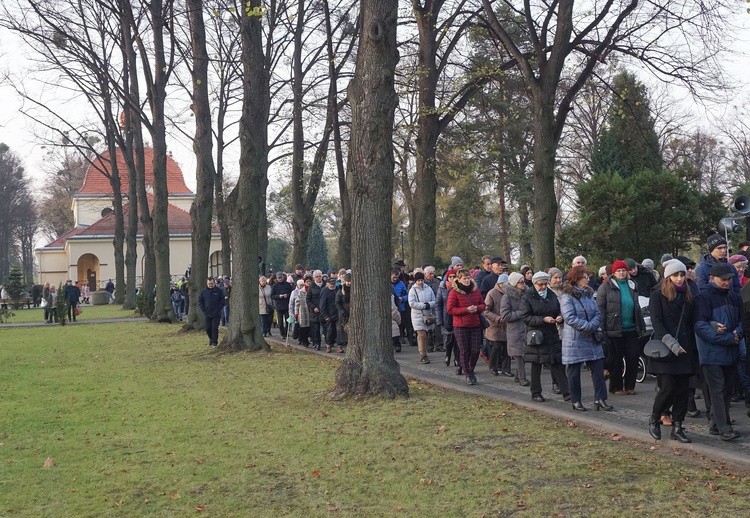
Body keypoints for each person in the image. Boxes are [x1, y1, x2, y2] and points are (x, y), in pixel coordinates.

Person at [647, 259, 698, 442]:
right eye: (676, 275)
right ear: (668, 276)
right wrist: (672, 344)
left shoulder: (688, 294)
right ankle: (654, 418)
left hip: (685, 349)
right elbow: (657, 322)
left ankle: (678, 426)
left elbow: (693, 320)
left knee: (683, 390)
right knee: (667, 389)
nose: (679, 278)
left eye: (682, 275)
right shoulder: (657, 294)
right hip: (666, 349)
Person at [694, 262, 743, 441]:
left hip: (730, 351)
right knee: (718, 390)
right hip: (711, 353)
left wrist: (737, 332)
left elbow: (742, 320)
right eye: (724, 280)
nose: (727, 283)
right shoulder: (704, 297)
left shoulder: (733, 296)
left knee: (726, 390)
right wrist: (728, 338)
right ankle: (724, 427)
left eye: (729, 279)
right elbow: (700, 326)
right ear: (712, 278)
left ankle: (716, 424)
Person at [560, 265, 611, 412]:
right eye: (585, 277)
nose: (588, 280)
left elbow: (597, 313)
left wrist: (593, 325)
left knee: (598, 368)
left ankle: (600, 399)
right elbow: (569, 317)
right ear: (576, 279)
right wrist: (587, 326)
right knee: (574, 371)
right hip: (574, 340)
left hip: (591, 338)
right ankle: (576, 401)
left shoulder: (589, 294)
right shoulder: (567, 296)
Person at [597, 260, 646, 396]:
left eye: (623, 270)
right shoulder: (606, 287)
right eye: (618, 271)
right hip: (614, 329)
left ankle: (630, 386)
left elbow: (637, 307)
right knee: (617, 359)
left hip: (631, 329)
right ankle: (616, 387)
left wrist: (640, 325)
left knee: (633, 357)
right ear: (613, 273)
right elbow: (600, 308)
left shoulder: (632, 284)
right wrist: (601, 328)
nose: (621, 273)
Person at [521, 271, 570, 402]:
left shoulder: (551, 295)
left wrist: (560, 317)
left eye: (544, 284)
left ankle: (566, 391)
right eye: (540, 284)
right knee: (537, 364)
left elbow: (558, 309)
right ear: (535, 284)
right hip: (536, 335)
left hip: (551, 333)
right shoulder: (528, 296)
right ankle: (536, 392)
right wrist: (543, 319)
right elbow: (525, 317)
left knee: (556, 362)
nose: (543, 287)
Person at [447, 269, 486, 385]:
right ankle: (468, 374)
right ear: (459, 280)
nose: (467, 280)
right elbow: (450, 309)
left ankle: (470, 368)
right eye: (464, 278)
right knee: (464, 350)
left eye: (468, 278)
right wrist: (466, 310)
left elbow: (483, 304)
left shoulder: (476, 291)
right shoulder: (454, 292)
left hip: (475, 324)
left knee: (475, 350)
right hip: (461, 325)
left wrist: (477, 308)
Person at [500, 272, 529, 386]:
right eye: (520, 282)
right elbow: (505, 316)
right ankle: (522, 377)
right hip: (515, 330)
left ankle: (518, 375)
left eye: (523, 282)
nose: (523, 284)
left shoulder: (525, 294)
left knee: (524, 354)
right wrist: (521, 313)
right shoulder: (506, 297)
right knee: (518, 355)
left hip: (525, 328)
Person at [483, 273, 512, 377]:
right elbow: (486, 310)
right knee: (496, 346)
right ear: (500, 284)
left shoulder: (509, 293)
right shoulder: (491, 293)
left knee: (507, 348)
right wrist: (497, 318)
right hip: (495, 325)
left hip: (507, 325)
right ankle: (493, 366)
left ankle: (506, 369)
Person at [409, 271, 437, 364]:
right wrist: (423, 306)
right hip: (417, 316)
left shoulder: (428, 288)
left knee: (427, 334)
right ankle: (423, 355)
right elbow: (412, 303)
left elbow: (434, 300)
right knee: (422, 336)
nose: (420, 282)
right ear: (415, 281)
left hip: (427, 315)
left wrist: (429, 305)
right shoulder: (412, 290)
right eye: (418, 280)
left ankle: (424, 352)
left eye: (421, 280)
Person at [436, 270, 457, 367]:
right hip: (446, 317)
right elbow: (438, 304)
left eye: (454, 276)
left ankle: (457, 358)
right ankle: (448, 355)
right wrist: (439, 320)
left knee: (457, 339)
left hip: (456, 316)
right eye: (450, 277)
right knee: (449, 338)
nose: (452, 278)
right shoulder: (442, 288)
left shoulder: (459, 287)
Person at [198, 277, 225, 347]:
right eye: (209, 284)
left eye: (212, 283)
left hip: (216, 313)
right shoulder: (203, 292)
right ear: (207, 284)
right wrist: (204, 309)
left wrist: (218, 309)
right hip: (207, 313)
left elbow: (222, 301)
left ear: (214, 283)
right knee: (207, 328)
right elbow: (200, 301)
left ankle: (214, 342)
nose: (210, 285)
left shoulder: (219, 291)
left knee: (214, 328)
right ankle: (211, 338)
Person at [271, 271, 293, 338]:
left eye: (281, 278)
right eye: (278, 278)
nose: (280, 279)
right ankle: (282, 333)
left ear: (283, 277)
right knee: (280, 322)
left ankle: (286, 332)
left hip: (286, 305)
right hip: (279, 305)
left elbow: (291, 293)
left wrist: (287, 295)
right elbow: (272, 296)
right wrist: (279, 296)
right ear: (277, 278)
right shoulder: (274, 286)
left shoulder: (287, 284)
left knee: (287, 320)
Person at [320, 277, 339, 353]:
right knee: (329, 331)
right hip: (329, 314)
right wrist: (325, 316)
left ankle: (339, 345)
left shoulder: (337, 289)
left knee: (338, 331)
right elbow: (322, 305)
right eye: (331, 284)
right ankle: (328, 345)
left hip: (337, 313)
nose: (332, 285)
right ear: (328, 284)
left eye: (334, 284)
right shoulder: (325, 291)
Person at [335, 273, 351, 353]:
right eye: (347, 281)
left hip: (351, 312)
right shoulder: (341, 291)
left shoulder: (354, 289)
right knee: (341, 330)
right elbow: (337, 303)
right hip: (343, 313)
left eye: (350, 281)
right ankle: (339, 345)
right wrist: (342, 312)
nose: (349, 283)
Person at [295, 275, 312, 347]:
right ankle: (304, 341)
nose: (308, 283)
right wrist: (296, 313)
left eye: (310, 281)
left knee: (311, 327)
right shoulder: (301, 291)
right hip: (303, 310)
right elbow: (297, 303)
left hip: (311, 310)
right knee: (303, 327)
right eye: (307, 281)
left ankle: (311, 339)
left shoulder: (313, 289)